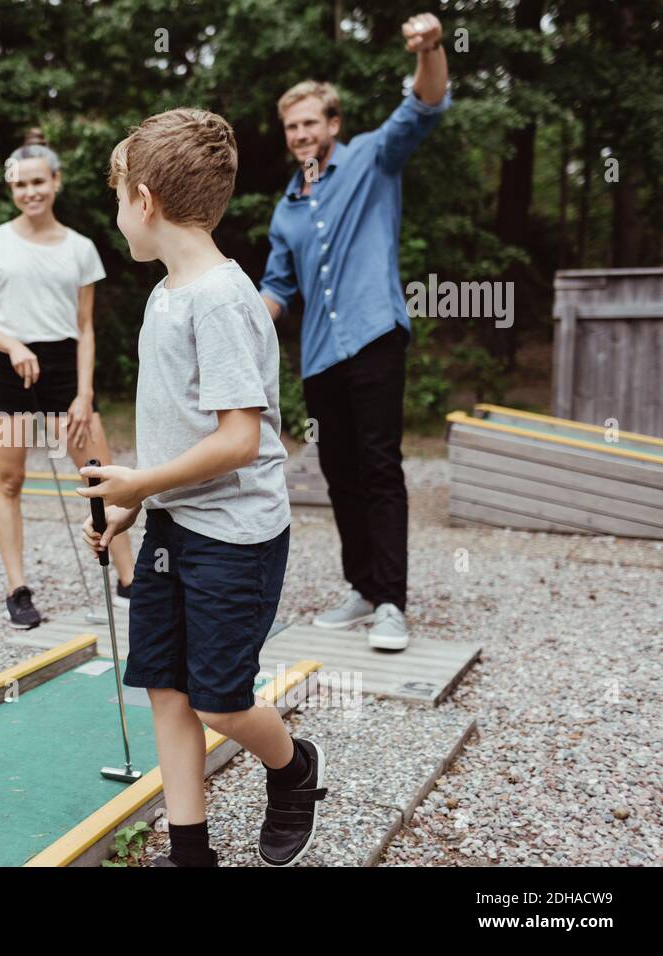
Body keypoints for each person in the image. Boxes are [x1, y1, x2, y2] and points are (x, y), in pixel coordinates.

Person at [82, 108, 325, 867]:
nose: (117, 212)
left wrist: (141, 480)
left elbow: (240, 440)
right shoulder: (165, 295)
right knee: (164, 687)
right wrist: (134, 503)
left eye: (118, 194)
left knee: (220, 699)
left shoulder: (221, 299)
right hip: (173, 530)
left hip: (236, 538)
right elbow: (180, 429)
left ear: (145, 201)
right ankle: (192, 854)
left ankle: (292, 769)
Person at [259, 12, 451, 651]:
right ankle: (362, 588)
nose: (301, 133)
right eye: (292, 126)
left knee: (379, 466)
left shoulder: (372, 156)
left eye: (311, 121)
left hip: (373, 336)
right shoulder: (286, 211)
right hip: (319, 357)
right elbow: (279, 290)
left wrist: (430, 48)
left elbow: (424, 106)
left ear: (333, 125)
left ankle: (393, 603)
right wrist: (241, 315)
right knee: (338, 472)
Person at [0, 128, 135, 628]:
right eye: (20, 184)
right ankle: (17, 589)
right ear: (11, 189)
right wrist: (12, 344)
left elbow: (85, 327)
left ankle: (129, 582)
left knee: (98, 477)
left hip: (64, 368)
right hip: (5, 364)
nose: (30, 191)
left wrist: (84, 393)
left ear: (56, 182)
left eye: (39, 181)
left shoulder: (80, 248)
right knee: (10, 480)